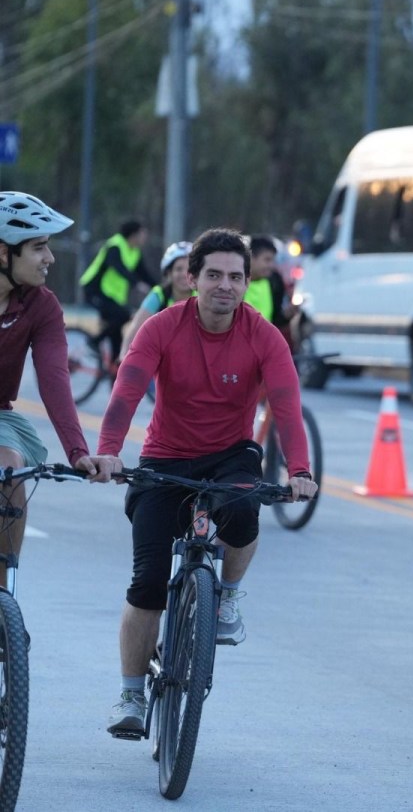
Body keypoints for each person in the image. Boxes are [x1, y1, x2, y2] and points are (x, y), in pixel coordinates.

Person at [90, 227, 318, 737]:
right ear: (192, 279)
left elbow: (286, 406)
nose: (225, 286)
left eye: (235, 277)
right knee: (147, 583)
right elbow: (128, 390)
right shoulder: (162, 327)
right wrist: (108, 450)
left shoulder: (264, 335)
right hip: (166, 456)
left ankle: (228, 593)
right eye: (213, 275)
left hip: (231, 456)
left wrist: (300, 471)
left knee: (244, 509)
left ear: (247, 283)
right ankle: (131, 694)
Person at [0, 192, 102, 581]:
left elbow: (54, 379)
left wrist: (78, 450)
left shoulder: (41, 305)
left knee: (8, 470)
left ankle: (3, 596)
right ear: (4, 253)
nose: (50, 258)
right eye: (39, 247)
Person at [79, 219, 156, 368]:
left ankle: (114, 370)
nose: (145, 237)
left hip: (112, 296)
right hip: (94, 290)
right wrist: (136, 284)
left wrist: (161, 289)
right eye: (142, 234)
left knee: (117, 334)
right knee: (124, 315)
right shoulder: (114, 245)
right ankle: (94, 342)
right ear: (133, 235)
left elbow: (144, 274)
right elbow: (118, 267)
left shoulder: (135, 252)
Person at [116, 240, 194, 363]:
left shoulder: (202, 296)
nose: (184, 274)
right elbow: (136, 327)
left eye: (189, 270)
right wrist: (124, 357)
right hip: (161, 360)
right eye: (178, 269)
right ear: (169, 273)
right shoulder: (159, 295)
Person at [245, 235, 294, 348]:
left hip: (263, 347)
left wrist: (287, 315)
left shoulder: (274, 281)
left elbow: (275, 320)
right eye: (267, 260)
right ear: (251, 258)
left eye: (273, 260)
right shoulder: (235, 281)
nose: (271, 265)